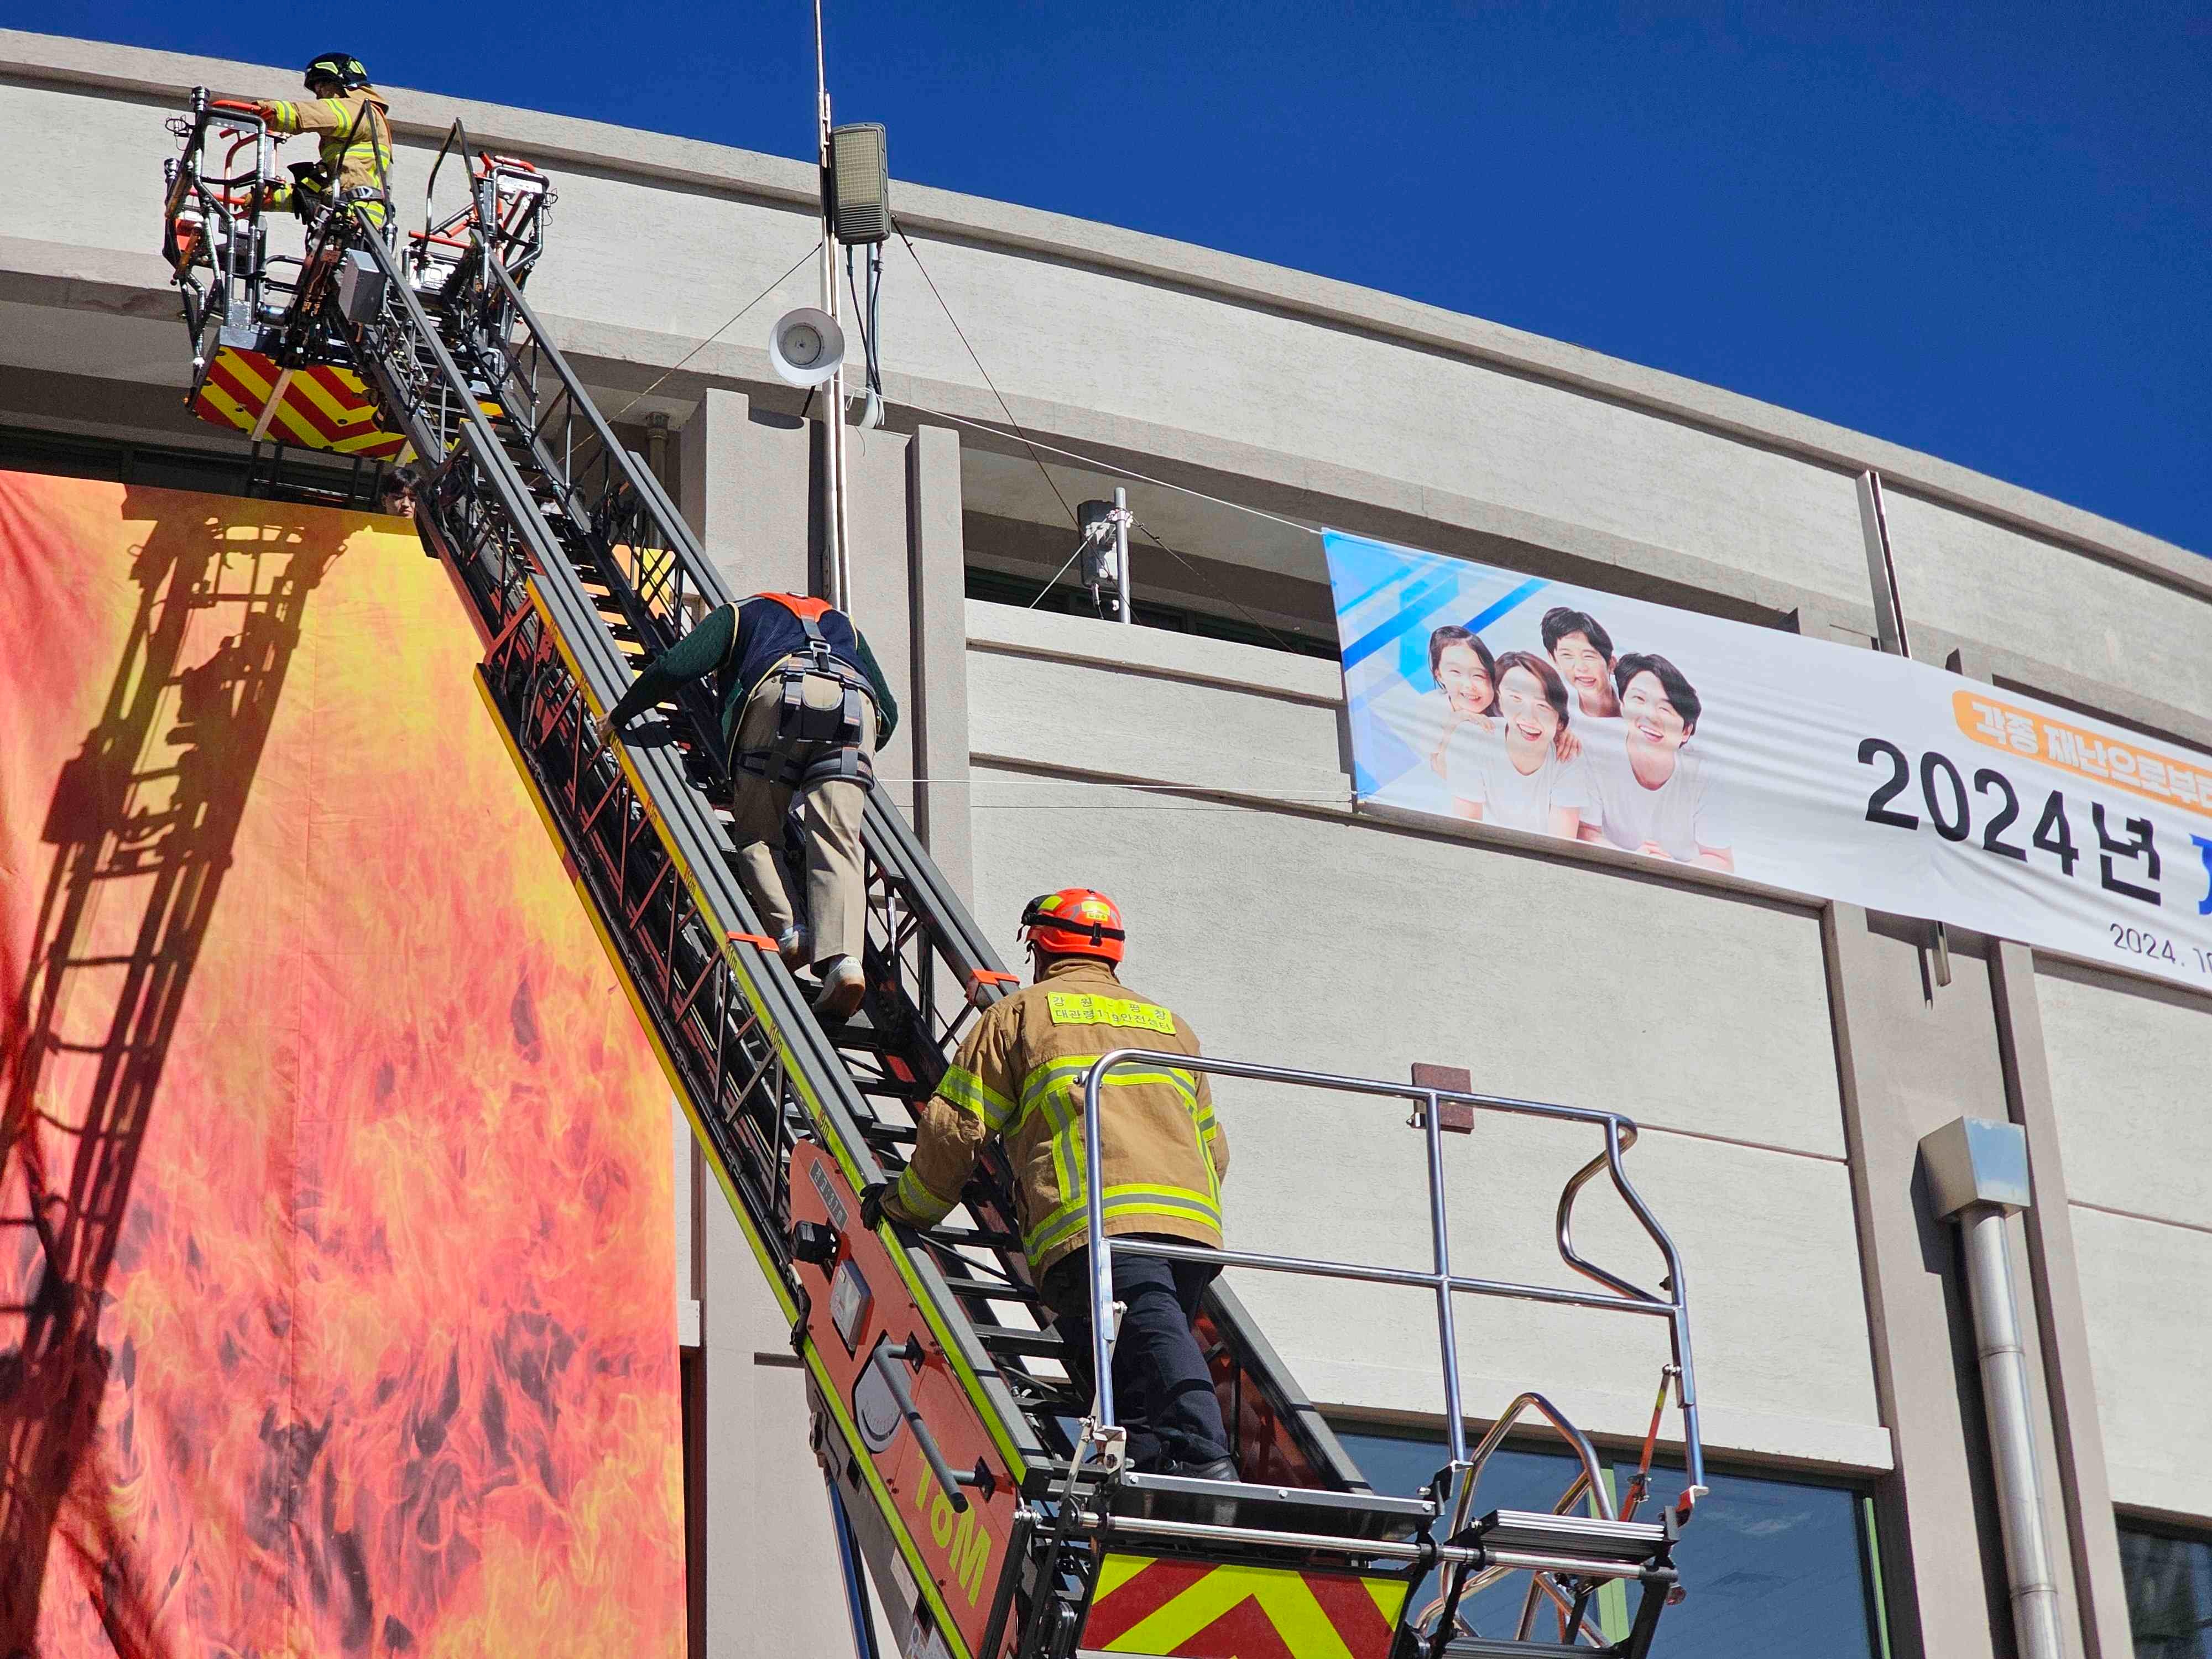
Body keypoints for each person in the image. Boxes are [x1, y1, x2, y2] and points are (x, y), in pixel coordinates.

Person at [881, 889, 1237, 1481]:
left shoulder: (1021, 1016)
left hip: (1096, 1222)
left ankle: (1205, 1457)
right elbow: (1214, 1148)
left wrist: (908, 1207)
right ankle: (1151, 1469)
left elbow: (957, 1128)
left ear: (1040, 948)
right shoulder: (1171, 1027)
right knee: (1127, 1364)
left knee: (1146, 1336)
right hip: (1190, 1230)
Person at [594, 593, 900, 1016]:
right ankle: (845, 963)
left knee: (759, 835)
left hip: (780, 695)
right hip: (853, 707)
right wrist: (843, 760)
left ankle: (791, 931)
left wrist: (620, 715)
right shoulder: (844, 627)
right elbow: (890, 714)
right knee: (838, 840)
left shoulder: (741, 614)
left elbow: (674, 668)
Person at [1576, 652, 1734, 870]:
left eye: (1665, 709)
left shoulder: (1705, 772)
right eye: (1639, 700)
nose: (1650, 716)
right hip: (1612, 869)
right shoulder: (1597, 751)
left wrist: (1668, 869)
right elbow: (1585, 833)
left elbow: (1721, 861)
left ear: (1686, 731)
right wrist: (1632, 861)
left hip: (1679, 877)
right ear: (1623, 706)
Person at [1444, 651, 1592, 839]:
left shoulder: (1567, 754)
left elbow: (1561, 842)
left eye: (1542, 706)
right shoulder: (1471, 740)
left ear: (1560, 721)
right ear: (1500, 701)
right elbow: (1467, 835)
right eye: (1516, 699)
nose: (1529, 717)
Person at [240, 54, 394, 231]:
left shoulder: (362, 110)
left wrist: (268, 112)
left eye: (321, 85)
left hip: (357, 216)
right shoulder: (348, 146)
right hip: (346, 216)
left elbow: (317, 114)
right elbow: (318, 196)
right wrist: (269, 198)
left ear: (342, 82)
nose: (319, 94)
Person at [1541, 606, 1620, 719]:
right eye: (1567, 656)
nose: (1581, 668)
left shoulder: (1637, 701)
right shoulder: (1558, 717)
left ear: (1611, 664)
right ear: (1554, 659)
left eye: (1589, 656)